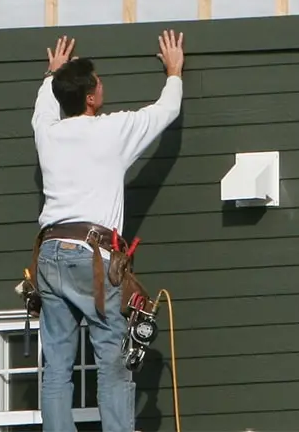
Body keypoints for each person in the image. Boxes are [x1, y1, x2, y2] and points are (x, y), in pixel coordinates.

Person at [31, 29, 185, 432]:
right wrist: (174, 71)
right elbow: (164, 112)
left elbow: (42, 109)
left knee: (58, 366)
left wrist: (53, 74)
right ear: (89, 98)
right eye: (97, 83)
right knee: (111, 359)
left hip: (49, 255)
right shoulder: (111, 131)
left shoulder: (48, 133)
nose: (103, 85)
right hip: (91, 255)